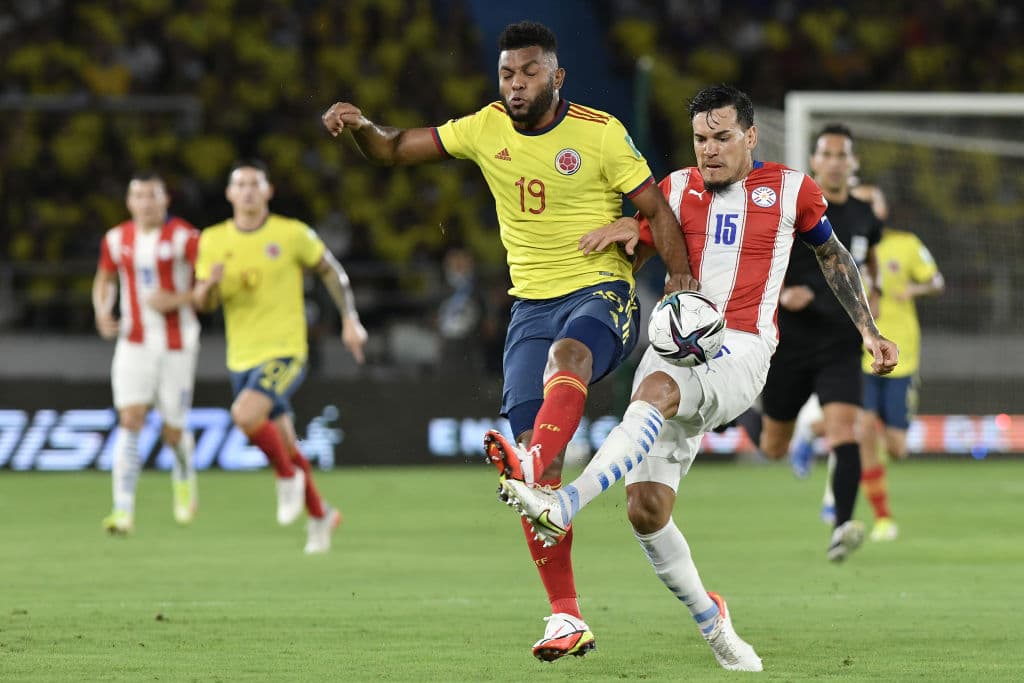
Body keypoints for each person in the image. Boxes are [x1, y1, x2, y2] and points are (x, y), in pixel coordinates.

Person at [321, 20, 695, 660]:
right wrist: (360, 128)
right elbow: (390, 149)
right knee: (543, 473)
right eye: (506, 74)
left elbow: (658, 209)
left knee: (567, 361)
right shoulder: (484, 126)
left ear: (557, 75)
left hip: (601, 294)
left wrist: (682, 285)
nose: (515, 84)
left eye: (527, 72)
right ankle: (565, 617)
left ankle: (524, 466)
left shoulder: (601, 134)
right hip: (529, 310)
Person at [500, 85, 899, 671]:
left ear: (750, 136)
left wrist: (869, 330)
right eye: (700, 139)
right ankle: (716, 624)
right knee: (646, 509)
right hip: (673, 342)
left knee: (652, 393)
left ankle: (563, 504)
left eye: (721, 137)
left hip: (742, 349)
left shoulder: (792, 189)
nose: (709, 150)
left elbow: (833, 255)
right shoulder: (674, 189)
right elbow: (640, 243)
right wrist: (625, 243)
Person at [191, 160, 368, 554]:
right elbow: (201, 301)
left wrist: (349, 317)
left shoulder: (290, 234)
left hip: (287, 351)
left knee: (244, 414)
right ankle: (321, 514)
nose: (249, 191)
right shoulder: (213, 240)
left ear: (268, 191)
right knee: (285, 443)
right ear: (229, 194)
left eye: (256, 184)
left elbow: (331, 271)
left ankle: (286, 478)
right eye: (241, 185)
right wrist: (210, 286)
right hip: (242, 357)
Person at [754, 123, 886, 562]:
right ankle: (743, 413)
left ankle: (842, 524)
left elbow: (869, 266)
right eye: (826, 154)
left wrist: (876, 299)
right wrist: (785, 293)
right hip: (791, 341)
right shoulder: (796, 209)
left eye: (841, 154)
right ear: (814, 162)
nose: (834, 161)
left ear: (853, 162)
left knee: (846, 430)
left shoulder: (867, 216)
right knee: (772, 447)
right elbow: (761, 261)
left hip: (839, 342)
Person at [93, 172, 200, 534]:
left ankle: (184, 475)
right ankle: (122, 510)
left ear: (165, 199)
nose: (146, 202)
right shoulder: (115, 238)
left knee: (173, 432)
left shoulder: (186, 237)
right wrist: (102, 310)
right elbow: (105, 279)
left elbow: (211, 286)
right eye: (138, 195)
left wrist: (180, 299)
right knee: (130, 418)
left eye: (153, 195)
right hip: (133, 341)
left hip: (177, 342)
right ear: (129, 201)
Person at [857, 226, 944, 541]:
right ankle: (882, 517)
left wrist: (914, 290)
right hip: (862, 355)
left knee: (897, 449)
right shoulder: (848, 245)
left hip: (902, 356)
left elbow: (937, 281)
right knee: (863, 428)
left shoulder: (907, 244)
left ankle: (876, 428)